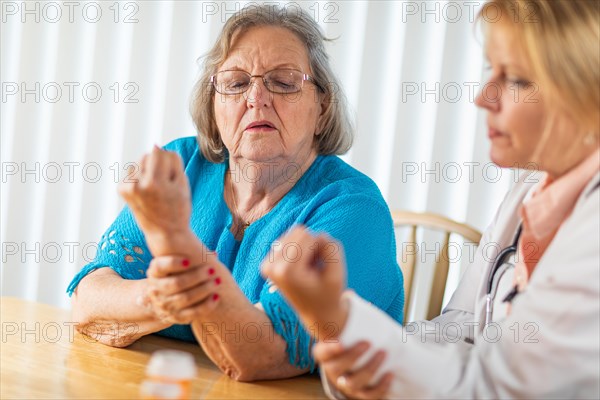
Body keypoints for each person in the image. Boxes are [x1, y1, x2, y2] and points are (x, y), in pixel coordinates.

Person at [262, 0, 600, 398]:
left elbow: (492, 388)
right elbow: (458, 328)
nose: (483, 97)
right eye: (492, 70)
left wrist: (336, 317)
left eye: (517, 80)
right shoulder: (528, 195)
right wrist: (357, 353)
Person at [67, 5, 404, 382]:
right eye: (236, 82)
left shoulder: (354, 209)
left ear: (322, 106)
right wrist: (164, 298)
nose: (256, 98)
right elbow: (89, 301)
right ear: (214, 105)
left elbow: (265, 354)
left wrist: (175, 260)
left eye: (284, 81)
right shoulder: (182, 165)